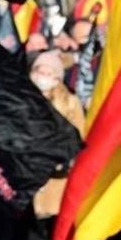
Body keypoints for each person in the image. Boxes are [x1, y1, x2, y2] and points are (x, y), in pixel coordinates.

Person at [29, 49, 86, 229]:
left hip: (58, 175)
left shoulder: (70, 102)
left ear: (58, 77)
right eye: (39, 71)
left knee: (58, 228)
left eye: (49, 73)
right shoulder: (25, 100)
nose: (43, 77)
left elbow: (79, 136)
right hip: (30, 174)